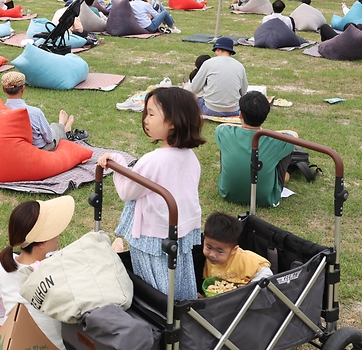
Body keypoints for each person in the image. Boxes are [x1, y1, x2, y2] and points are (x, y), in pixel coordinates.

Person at [97, 87, 205, 299]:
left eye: (152, 114)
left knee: (154, 285)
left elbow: (127, 191)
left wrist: (117, 162)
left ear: (173, 121)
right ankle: (183, 311)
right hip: (180, 232)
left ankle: (161, 317)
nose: (145, 119)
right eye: (145, 113)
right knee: (178, 277)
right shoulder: (190, 157)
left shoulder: (154, 160)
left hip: (152, 235)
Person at [0, 197, 75, 348]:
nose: (58, 235)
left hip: (16, 341)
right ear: (41, 244)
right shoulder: (53, 273)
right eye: (54, 230)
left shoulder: (3, 262)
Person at [214, 91, 296, 207]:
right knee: (288, 146)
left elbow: (221, 126)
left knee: (225, 145)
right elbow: (293, 134)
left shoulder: (224, 132)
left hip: (228, 193)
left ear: (240, 114)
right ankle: (281, 177)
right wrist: (265, 132)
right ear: (266, 116)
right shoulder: (275, 140)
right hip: (267, 198)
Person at [0, 72, 81, 151]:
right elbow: (49, 139)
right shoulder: (34, 113)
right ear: (23, 88)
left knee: (50, 128)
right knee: (54, 127)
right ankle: (63, 127)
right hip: (39, 150)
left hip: (14, 149)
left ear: (3, 89)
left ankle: (62, 127)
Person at [201, 212, 273, 290]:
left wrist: (251, 286)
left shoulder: (245, 259)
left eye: (219, 251)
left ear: (233, 250)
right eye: (209, 247)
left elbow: (267, 274)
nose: (212, 254)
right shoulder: (211, 260)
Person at [187, 37, 248, 117]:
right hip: (234, 110)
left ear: (218, 49)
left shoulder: (208, 63)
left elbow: (194, 89)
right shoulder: (240, 66)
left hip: (209, 109)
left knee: (192, 99)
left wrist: (185, 87)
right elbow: (243, 92)